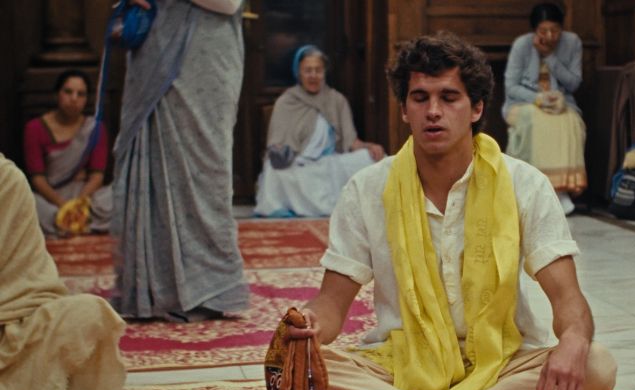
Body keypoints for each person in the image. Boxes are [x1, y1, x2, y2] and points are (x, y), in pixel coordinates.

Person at [284, 32, 617, 390]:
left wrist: (573, 339)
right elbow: (331, 302)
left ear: (476, 108)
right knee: (300, 368)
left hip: (499, 366)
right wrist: (309, 325)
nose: (433, 111)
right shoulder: (367, 188)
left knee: (596, 366)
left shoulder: (524, 184)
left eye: (449, 97)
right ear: (404, 110)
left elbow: (568, 298)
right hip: (401, 366)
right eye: (420, 97)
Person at [111, 0, 249, 321]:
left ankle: (209, 288)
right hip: (155, 52)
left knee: (205, 171)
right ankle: (150, 290)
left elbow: (228, 3)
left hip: (204, 54)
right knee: (155, 166)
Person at [0, 153, 126, 390]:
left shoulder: (7, 179)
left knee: (89, 313)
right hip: (51, 198)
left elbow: (30, 284)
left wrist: (76, 202)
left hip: (13, 321)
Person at [254, 45, 385, 217]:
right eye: (308, 70)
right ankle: (280, 206)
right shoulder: (286, 102)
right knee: (273, 169)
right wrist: (280, 152)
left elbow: (352, 142)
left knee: (373, 160)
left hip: (329, 162)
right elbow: (276, 145)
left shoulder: (337, 100)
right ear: (299, 73)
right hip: (299, 164)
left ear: (324, 73)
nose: (313, 75)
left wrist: (369, 147)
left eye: (318, 70)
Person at [502, 2, 586, 215]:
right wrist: (538, 98)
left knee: (570, 120)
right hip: (523, 104)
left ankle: (560, 191)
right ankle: (533, 191)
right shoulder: (521, 45)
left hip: (561, 103)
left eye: (555, 30)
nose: (549, 36)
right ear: (534, 30)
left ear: (562, 28)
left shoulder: (572, 42)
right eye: (543, 31)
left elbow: (574, 83)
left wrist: (549, 57)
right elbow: (511, 86)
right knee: (536, 119)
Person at [24, 69, 112, 237]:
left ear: (86, 99)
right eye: (68, 92)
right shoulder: (35, 128)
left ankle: (69, 224)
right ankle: (71, 222)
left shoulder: (94, 129)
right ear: (57, 94)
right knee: (25, 201)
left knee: (118, 194)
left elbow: (97, 176)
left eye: (81, 94)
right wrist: (64, 206)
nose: (74, 99)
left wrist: (77, 206)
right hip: (51, 199)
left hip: (86, 198)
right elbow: (37, 179)